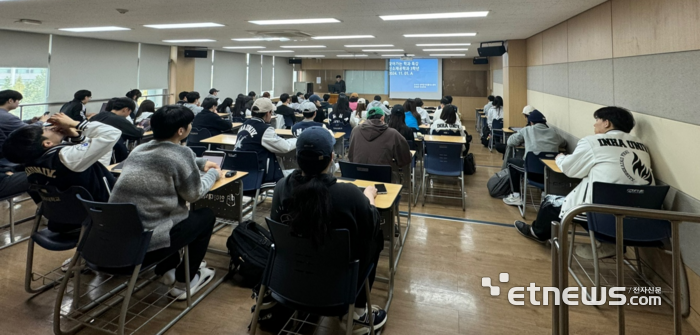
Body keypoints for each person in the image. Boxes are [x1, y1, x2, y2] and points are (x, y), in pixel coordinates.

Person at [270, 127, 387, 333]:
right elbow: (373, 223)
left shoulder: (282, 187)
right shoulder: (348, 194)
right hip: (338, 287)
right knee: (373, 238)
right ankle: (358, 312)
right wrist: (368, 197)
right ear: (332, 157)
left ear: (297, 158)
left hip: (289, 281)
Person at [109, 105, 220, 300]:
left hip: (116, 237)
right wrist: (213, 174)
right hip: (146, 242)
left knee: (167, 214)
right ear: (181, 131)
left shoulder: (139, 149)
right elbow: (194, 194)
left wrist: (201, 163)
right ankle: (184, 281)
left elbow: (172, 155)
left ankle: (167, 268)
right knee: (205, 216)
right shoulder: (180, 155)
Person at [514, 107, 654, 256]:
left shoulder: (593, 141)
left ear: (607, 123)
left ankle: (537, 233)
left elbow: (570, 169)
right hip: (640, 216)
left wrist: (560, 158)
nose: (595, 125)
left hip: (601, 213)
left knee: (551, 201)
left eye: (597, 121)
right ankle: (609, 243)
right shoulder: (641, 146)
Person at [2, 112, 120, 204]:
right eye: (47, 129)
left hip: (62, 217)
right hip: (98, 215)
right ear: (47, 143)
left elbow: (86, 153)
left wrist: (75, 136)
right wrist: (74, 123)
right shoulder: (65, 157)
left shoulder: (30, 163)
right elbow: (112, 133)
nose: (54, 127)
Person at [501, 110, 566, 205]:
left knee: (511, 162)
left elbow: (510, 142)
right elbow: (564, 143)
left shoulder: (527, 130)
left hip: (531, 171)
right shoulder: (553, 133)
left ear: (531, 122)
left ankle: (516, 196)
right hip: (550, 173)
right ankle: (544, 193)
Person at [234, 98, 296, 188]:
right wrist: (298, 139)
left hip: (240, 171)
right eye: (271, 113)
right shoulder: (265, 129)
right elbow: (285, 147)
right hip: (259, 174)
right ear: (268, 113)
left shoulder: (244, 124)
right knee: (295, 173)